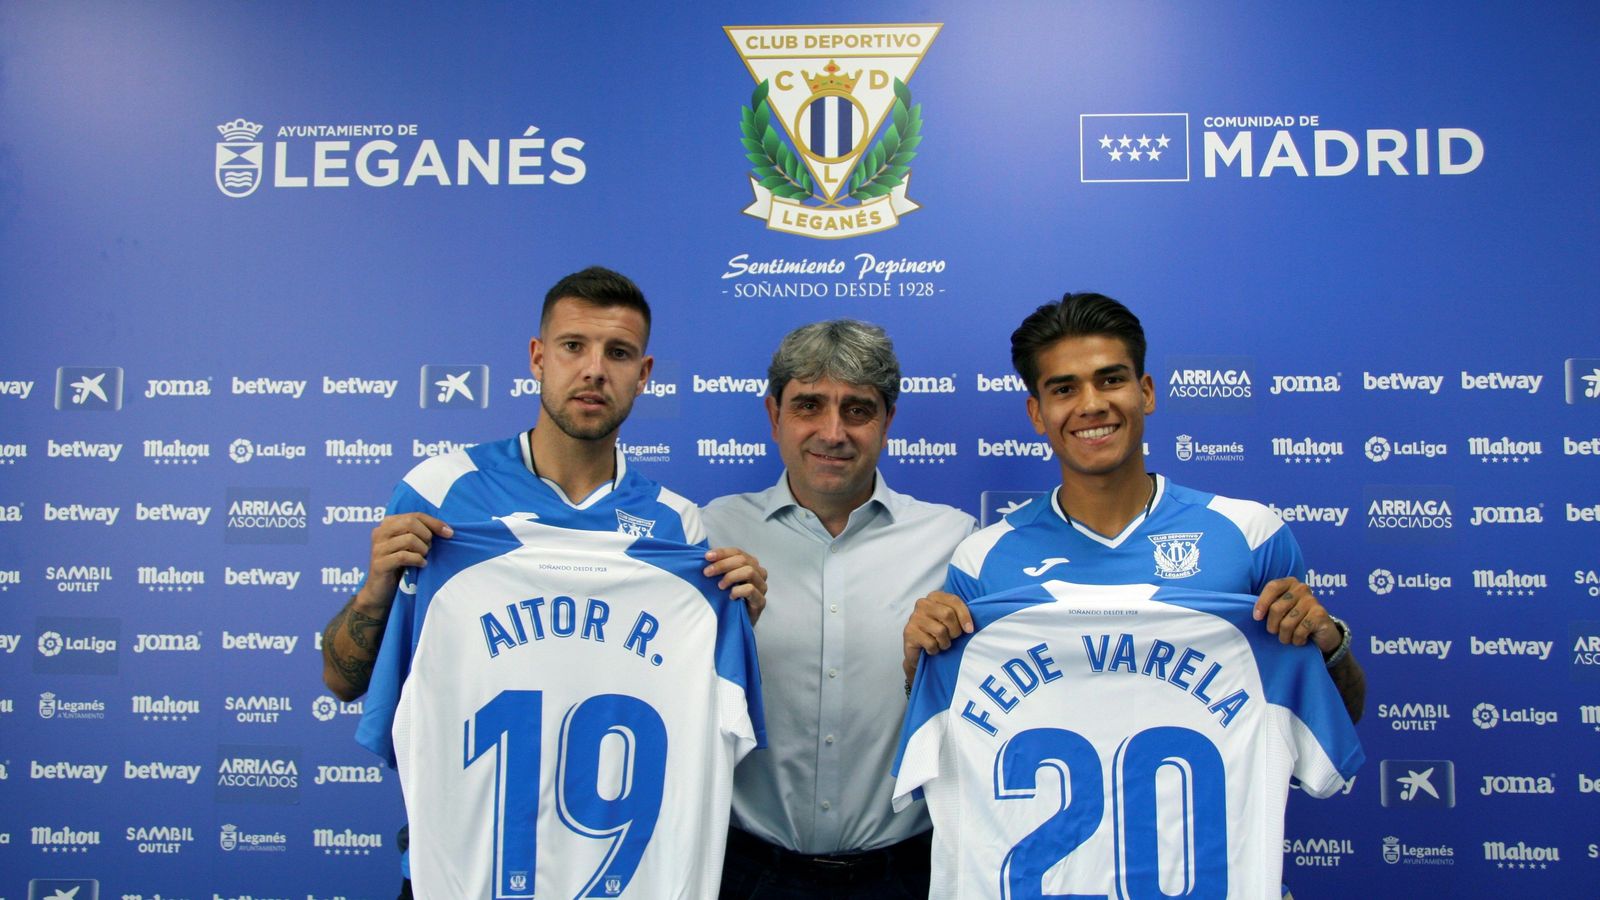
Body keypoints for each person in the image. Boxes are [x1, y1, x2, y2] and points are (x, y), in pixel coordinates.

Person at [319, 266, 767, 898]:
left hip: (615, 875)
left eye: (618, 353)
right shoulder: (440, 492)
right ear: (537, 358)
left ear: (644, 375)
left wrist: (737, 618)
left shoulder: (678, 526)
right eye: (573, 346)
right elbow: (343, 682)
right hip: (464, 872)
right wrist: (375, 592)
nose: (594, 370)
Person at [902, 292, 1366, 722]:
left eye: (1110, 380)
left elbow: (1333, 719)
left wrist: (1328, 647)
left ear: (1145, 392)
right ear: (1037, 414)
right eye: (1064, 389)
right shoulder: (981, 561)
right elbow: (954, 731)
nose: (1091, 404)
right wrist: (919, 665)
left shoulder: (1251, 533)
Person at [703, 320, 977, 899]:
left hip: (905, 875)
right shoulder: (707, 536)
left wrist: (918, 673)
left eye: (858, 409)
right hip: (746, 873)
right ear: (774, 416)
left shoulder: (956, 543)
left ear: (887, 422)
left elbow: (982, 717)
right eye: (809, 405)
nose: (833, 431)